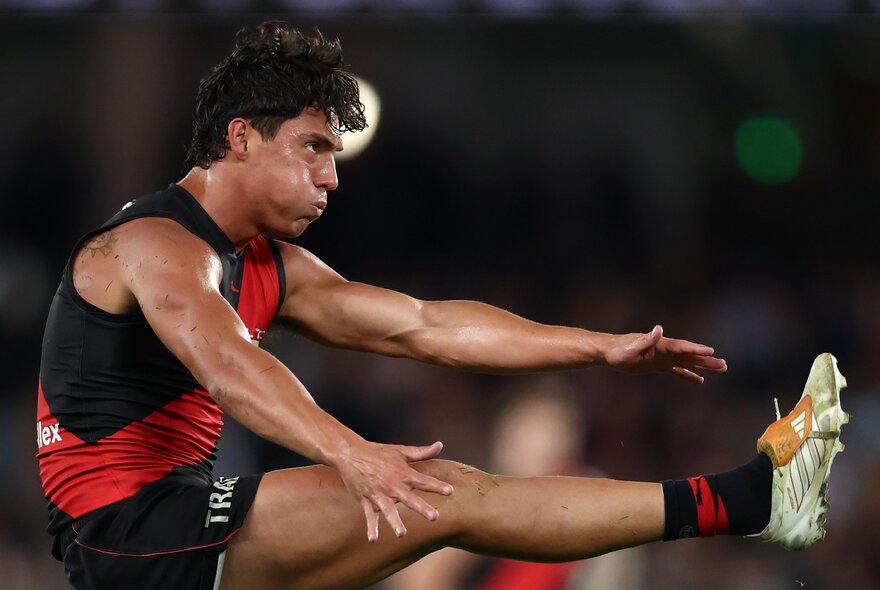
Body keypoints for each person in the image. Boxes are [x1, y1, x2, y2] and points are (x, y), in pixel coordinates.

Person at [36, 21, 848, 590]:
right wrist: (352, 453)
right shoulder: (155, 246)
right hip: (128, 535)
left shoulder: (270, 266)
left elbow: (427, 326)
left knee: (448, 497)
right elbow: (227, 364)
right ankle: (747, 501)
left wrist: (598, 346)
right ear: (242, 137)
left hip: (172, 532)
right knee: (442, 498)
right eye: (313, 148)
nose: (332, 177)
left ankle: (745, 501)